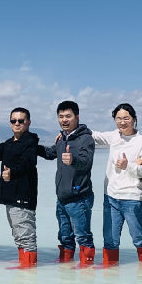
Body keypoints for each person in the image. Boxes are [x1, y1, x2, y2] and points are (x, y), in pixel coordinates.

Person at [90, 103, 142, 267]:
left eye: (126, 118)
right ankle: (111, 275)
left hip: (133, 198)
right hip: (111, 197)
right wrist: (66, 133)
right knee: (110, 240)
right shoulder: (114, 136)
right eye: (118, 119)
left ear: (134, 119)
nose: (122, 122)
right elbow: (93, 135)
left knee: (139, 238)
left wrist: (128, 166)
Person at [40, 101, 96, 266]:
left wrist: (73, 159)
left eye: (68, 116)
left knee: (83, 237)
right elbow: (49, 153)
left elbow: (86, 162)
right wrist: (30, 144)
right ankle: (65, 271)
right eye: (61, 116)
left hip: (79, 198)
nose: (64, 120)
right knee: (65, 237)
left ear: (77, 117)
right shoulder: (62, 139)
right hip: (62, 198)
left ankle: (87, 270)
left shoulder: (86, 138)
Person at [0, 107, 42, 267]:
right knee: (18, 235)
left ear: (28, 122)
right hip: (10, 197)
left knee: (26, 237)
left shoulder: (30, 142)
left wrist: (12, 172)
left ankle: (29, 269)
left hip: (23, 197)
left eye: (21, 120)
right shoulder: (9, 143)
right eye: (13, 121)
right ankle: (24, 266)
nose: (17, 123)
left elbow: (29, 162)